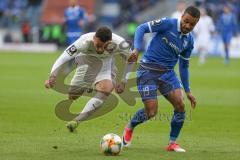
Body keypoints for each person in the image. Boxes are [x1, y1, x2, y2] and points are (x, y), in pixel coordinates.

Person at [122, 6, 200, 152]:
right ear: (182, 16)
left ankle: (172, 143)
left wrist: (188, 91)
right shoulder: (168, 24)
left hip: (168, 74)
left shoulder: (189, 41)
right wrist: (137, 49)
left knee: (180, 105)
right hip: (148, 71)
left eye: (192, 24)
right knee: (151, 112)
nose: (187, 26)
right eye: (186, 21)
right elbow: (141, 28)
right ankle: (130, 126)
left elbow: (184, 66)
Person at [44, 26, 134, 132]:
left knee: (106, 90)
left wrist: (124, 80)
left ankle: (77, 121)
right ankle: (89, 88)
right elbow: (64, 57)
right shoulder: (84, 41)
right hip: (86, 63)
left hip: (106, 65)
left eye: (104, 47)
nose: (100, 50)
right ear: (94, 38)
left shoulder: (120, 43)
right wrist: (53, 75)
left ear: (110, 41)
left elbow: (132, 59)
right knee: (72, 96)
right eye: (98, 46)